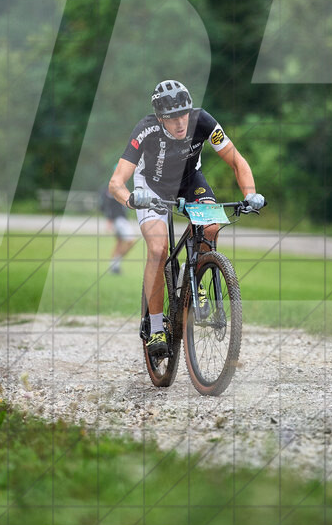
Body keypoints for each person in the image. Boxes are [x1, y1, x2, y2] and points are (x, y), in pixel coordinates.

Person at [107, 80, 265, 359]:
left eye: (183, 115)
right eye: (172, 118)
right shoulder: (146, 130)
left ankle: (198, 279)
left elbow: (237, 162)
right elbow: (116, 182)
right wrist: (131, 198)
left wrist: (250, 194)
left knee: (211, 227)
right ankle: (156, 326)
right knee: (158, 249)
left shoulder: (203, 121)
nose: (180, 123)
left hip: (191, 182)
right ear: (160, 118)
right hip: (151, 187)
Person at [98, 185, 138, 274]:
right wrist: (109, 219)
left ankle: (114, 266)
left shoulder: (121, 186)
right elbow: (106, 203)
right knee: (131, 241)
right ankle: (116, 262)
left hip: (121, 219)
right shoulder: (113, 186)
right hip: (118, 219)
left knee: (119, 243)